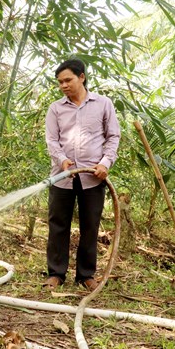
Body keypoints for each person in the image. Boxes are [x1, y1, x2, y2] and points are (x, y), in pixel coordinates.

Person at [43, 58, 121, 291]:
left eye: (68, 80)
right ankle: (56, 273)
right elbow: (52, 140)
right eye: (59, 82)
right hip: (62, 176)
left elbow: (113, 137)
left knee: (90, 225)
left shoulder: (103, 104)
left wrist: (105, 163)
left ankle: (86, 275)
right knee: (58, 224)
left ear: (82, 77)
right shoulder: (56, 108)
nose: (63, 85)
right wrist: (62, 160)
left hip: (93, 176)